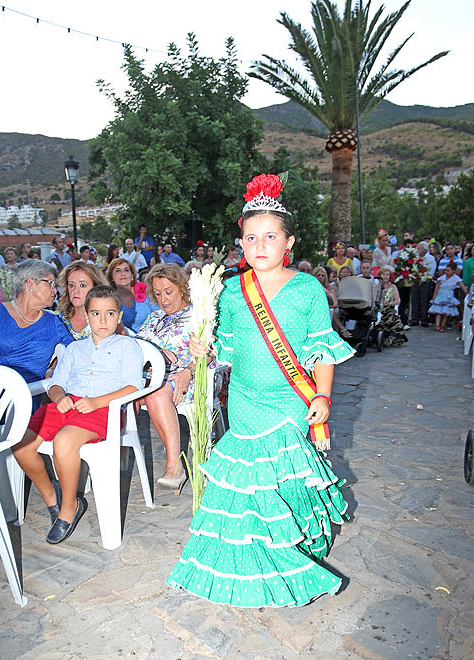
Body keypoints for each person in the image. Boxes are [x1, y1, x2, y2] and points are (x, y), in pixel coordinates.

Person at [167, 173, 354, 607]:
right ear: (241, 244)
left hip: (290, 400)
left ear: (289, 242)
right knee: (249, 480)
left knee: (281, 477)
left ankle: (292, 548)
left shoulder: (306, 289)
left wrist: (322, 397)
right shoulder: (232, 290)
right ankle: (249, 556)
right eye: (251, 238)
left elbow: (322, 351)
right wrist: (203, 346)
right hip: (245, 401)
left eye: (270, 236)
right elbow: (224, 346)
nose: (260, 245)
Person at [12, 286, 144, 544]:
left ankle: (69, 507)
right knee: (20, 443)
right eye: (96, 313)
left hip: (103, 408)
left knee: (64, 440)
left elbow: (133, 386)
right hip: (67, 405)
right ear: (87, 314)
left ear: (119, 316)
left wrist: (96, 402)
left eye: (109, 314)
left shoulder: (128, 346)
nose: (103, 320)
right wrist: (59, 398)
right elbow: (56, 384)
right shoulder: (74, 349)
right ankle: (53, 498)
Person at [136, 264, 195, 488]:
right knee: (125, 394)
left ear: (181, 288)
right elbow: (137, 347)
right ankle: (113, 456)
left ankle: (174, 466)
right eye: (158, 293)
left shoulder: (197, 314)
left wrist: (187, 372)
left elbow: (208, 352)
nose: (163, 299)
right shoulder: (154, 318)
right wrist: (158, 352)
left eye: (168, 292)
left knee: (156, 393)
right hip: (149, 378)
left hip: (183, 378)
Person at [0, 260, 74, 384]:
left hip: (28, 395)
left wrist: (53, 370)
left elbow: (73, 351)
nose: (55, 290)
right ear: (31, 283)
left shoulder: (52, 322)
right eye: (50, 283)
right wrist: (8, 380)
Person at [56, 262, 107, 339]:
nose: (76, 291)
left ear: (96, 288)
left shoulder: (107, 319)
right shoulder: (58, 319)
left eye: (82, 285)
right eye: (71, 285)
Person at [107, 258, 158, 332]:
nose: (123, 273)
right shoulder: (108, 299)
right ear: (111, 277)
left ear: (132, 275)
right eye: (118, 270)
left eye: (126, 270)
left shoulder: (145, 291)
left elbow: (159, 315)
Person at [428, 262, 467, 332]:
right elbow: (437, 286)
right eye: (445, 270)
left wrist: (467, 293)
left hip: (449, 294)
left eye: (448, 270)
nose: (446, 272)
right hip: (441, 294)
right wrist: (434, 295)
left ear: (453, 271)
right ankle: (437, 326)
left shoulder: (456, 278)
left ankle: (442, 326)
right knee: (438, 311)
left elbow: (462, 286)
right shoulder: (442, 278)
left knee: (446, 312)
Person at [376, 266, 407, 346]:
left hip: (388, 308)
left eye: (387, 274)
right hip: (377, 307)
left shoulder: (393, 287)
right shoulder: (376, 287)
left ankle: (389, 337)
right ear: (380, 275)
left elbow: (398, 301)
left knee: (390, 315)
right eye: (383, 274)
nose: (385, 276)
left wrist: (389, 303)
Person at [410, 241, 436, 327]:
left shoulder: (430, 258)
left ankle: (424, 319)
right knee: (414, 299)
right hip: (415, 280)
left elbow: (431, 271)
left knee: (424, 300)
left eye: (420, 248)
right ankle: (414, 319)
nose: (418, 250)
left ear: (425, 250)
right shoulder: (415, 257)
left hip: (426, 281)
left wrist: (423, 278)